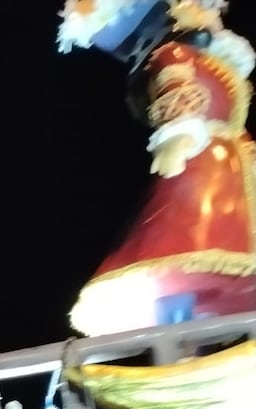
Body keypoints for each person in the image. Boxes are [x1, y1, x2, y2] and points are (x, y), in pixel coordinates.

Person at [59, 0, 256, 335]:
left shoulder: (215, 60)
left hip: (230, 165)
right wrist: (178, 138)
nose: (213, 10)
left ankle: (202, 334)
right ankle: (180, 339)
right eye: (202, 5)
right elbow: (177, 99)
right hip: (200, 165)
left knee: (221, 249)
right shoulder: (174, 55)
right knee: (188, 248)